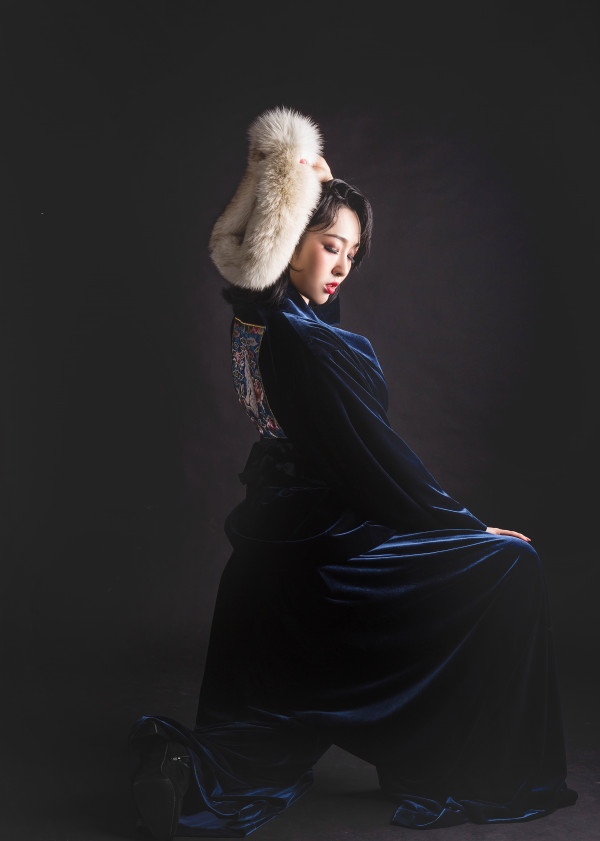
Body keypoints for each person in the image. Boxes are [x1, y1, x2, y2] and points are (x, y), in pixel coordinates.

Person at [129, 107, 577, 840]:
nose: (341, 267)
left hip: (282, 541)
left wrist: (297, 188)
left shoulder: (259, 320)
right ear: (289, 241)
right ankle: (461, 761)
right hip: (328, 545)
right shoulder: (307, 343)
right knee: (509, 566)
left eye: (353, 254)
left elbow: (267, 286)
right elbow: (380, 462)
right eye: (330, 246)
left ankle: (187, 766)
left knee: (254, 748)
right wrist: (470, 527)